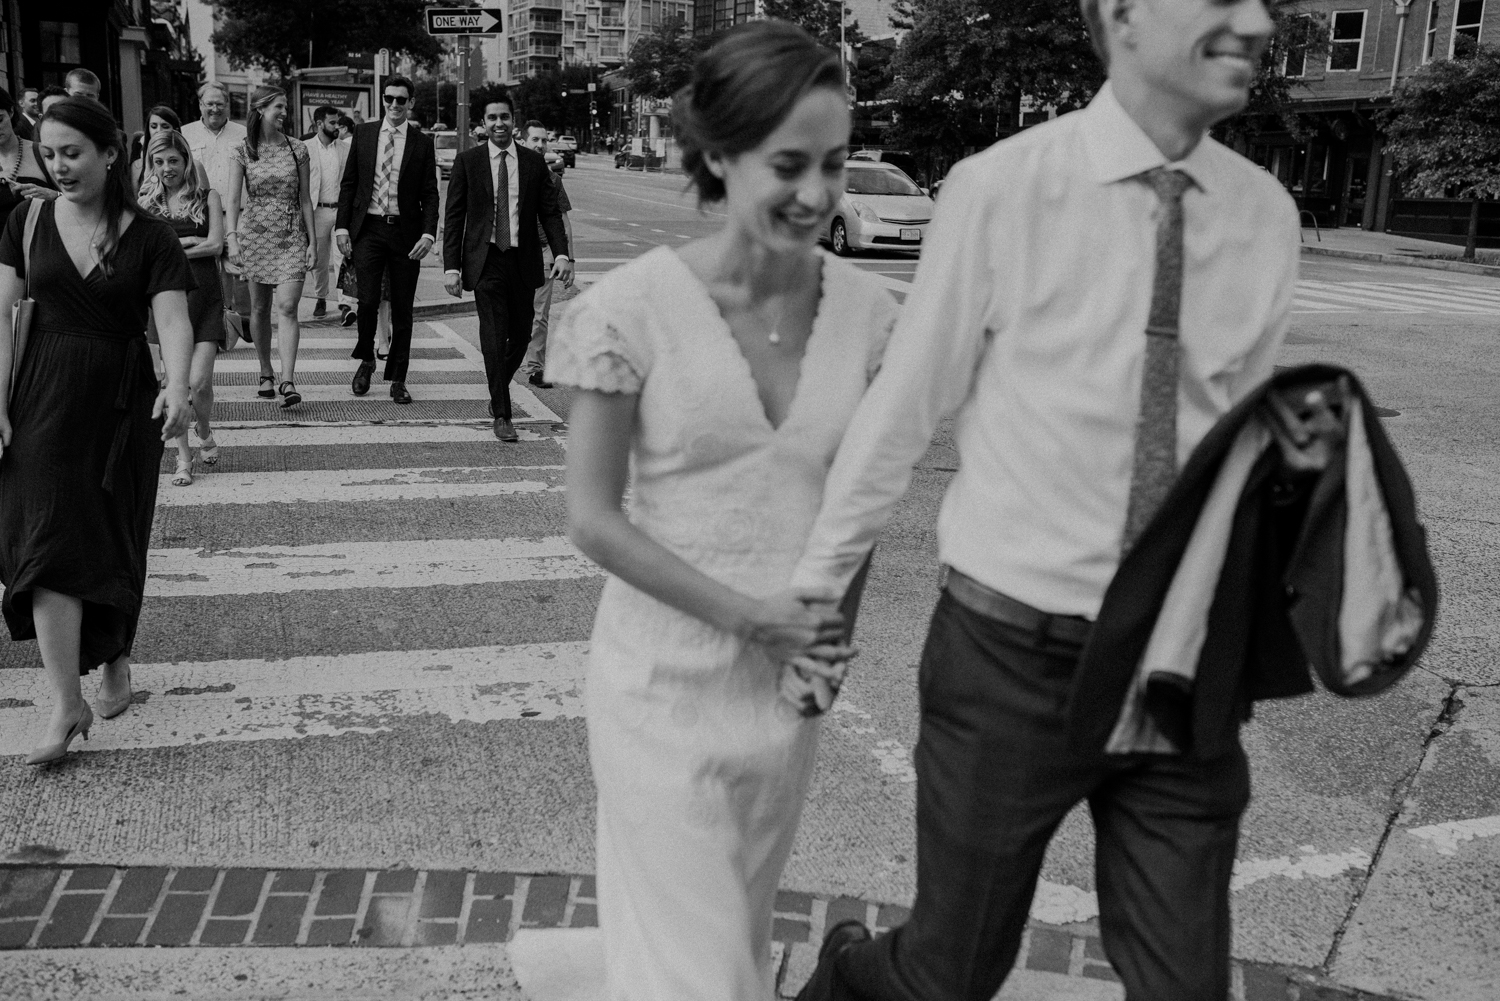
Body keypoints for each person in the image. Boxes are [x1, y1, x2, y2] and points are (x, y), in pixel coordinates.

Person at [789, 1, 1303, 999]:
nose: (1255, 19)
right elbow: (905, 408)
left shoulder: (1264, 215)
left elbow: (1234, 445)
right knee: (951, 973)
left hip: (1178, 667)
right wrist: (816, 595)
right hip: (1009, 659)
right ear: (1121, 16)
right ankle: (851, 974)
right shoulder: (1005, 188)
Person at [527, 22, 890, 1001]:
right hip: (658, 691)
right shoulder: (629, 308)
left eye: (835, 162)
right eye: (788, 163)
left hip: (782, 701)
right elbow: (593, 519)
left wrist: (823, 647)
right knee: (705, 977)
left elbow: (856, 506)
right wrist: (749, 617)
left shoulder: (869, 314)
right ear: (719, 156)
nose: (817, 193)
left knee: (726, 933)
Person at [0, 97, 195, 765]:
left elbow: (171, 320)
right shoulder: (25, 220)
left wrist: (175, 384)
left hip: (120, 404)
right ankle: (66, 701)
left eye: (71, 153)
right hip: (42, 399)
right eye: (49, 154)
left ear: (110, 153)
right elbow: (0, 315)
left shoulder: (153, 237)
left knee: (112, 535)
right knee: (45, 541)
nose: (58, 167)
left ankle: (114, 648)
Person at [441, 94, 570, 440]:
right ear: (483, 124)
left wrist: (562, 254)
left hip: (521, 259)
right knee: (494, 336)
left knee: (522, 333)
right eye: (492, 118)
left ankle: (497, 386)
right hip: (484, 262)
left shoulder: (531, 162)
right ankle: (502, 412)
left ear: (514, 121)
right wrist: (450, 266)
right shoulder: (468, 162)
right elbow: (454, 217)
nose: (499, 124)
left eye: (505, 118)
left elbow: (550, 212)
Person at [336, 75, 438, 406]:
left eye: (401, 99)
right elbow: (349, 184)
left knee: (403, 310)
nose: (394, 104)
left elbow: (430, 194)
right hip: (369, 229)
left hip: (406, 234)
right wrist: (342, 228)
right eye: (389, 98)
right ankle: (366, 360)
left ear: (411, 103)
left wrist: (428, 233)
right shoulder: (364, 134)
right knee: (366, 301)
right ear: (383, 100)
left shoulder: (422, 142)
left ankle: (398, 378)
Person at [138, 128, 226, 486]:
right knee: (175, 382)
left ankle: (204, 429)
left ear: (187, 160)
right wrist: (189, 241)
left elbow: (217, 245)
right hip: (165, 300)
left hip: (204, 296)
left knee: (199, 382)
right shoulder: (147, 202)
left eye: (173, 160)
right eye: (159, 162)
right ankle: (183, 459)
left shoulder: (208, 197)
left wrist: (184, 244)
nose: (166, 168)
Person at [225, 85, 315, 408]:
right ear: (261, 109)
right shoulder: (242, 150)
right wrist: (231, 238)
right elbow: (233, 200)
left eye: (285, 107)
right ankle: (266, 371)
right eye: (279, 107)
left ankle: (288, 380)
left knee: (288, 307)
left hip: (291, 234)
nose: (284, 113)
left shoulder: (298, 149)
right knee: (260, 308)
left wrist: (313, 243)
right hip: (256, 236)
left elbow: (305, 199)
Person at [183, 82, 251, 347]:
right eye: (208, 103)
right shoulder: (186, 133)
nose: (214, 108)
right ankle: (214, 326)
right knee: (208, 272)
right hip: (201, 214)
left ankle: (244, 325)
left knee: (240, 270)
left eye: (219, 103)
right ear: (200, 104)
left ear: (227, 105)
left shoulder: (243, 134)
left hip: (239, 213)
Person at [517, 120, 574, 391]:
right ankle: (510, 356)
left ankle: (535, 367)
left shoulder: (553, 180)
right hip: (513, 252)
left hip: (544, 252)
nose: (539, 145)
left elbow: (563, 223)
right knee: (513, 312)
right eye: (534, 140)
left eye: (543, 140)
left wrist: (568, 259)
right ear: (523, 141)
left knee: (540, 313)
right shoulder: (510, 172)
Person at [304, 104, 349, 319]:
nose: (337, 126)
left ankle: (345, 303)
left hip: (340, 210)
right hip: (317, 211)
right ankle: (321, 297)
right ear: (319, 124)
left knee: (343, 256)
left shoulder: (345, 149)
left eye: (338, 122)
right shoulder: (305, 148)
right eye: (332, 122)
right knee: (320, 260)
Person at [0, 87, 57, 230]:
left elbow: (79, 199)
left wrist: (54, 196)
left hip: (39, 244)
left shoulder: (41, 152)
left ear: (11, 112)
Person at [129, 105, 183, 186]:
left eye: (165, 126)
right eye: (153, 126)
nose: (158, 130)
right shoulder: (137, 167)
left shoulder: (192, 165)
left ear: (175, 130)